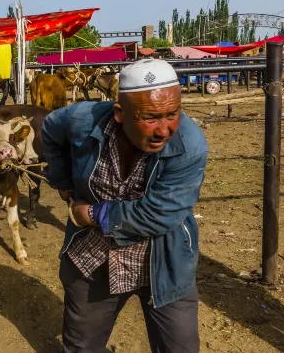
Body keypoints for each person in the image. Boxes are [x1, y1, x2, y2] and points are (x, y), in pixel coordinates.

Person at [42, 59, 209, 353]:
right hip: (94, 256)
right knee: (81, 346)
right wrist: (62, 180)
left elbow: (157, 215)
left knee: (179, 348)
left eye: (173, 114)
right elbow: (50, 128)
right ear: (119, 113)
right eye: (150, 117)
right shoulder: (84, 119)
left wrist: (90, 214)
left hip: (163, 259)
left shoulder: (190, 145)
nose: (164, 130)